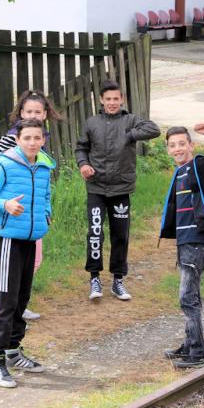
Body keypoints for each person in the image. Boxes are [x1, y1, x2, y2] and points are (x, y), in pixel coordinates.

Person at [0, 119, 56, 388]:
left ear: (43, 139)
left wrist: (45, 214)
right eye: (27, 138)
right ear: (18, 139)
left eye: (37, 138)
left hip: (31, 239)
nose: (32, 142)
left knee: (22, 297)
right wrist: (5, 204)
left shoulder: (44, 166)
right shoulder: (5, 164)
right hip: (9, 238)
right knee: (6, 299)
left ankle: (13, 351)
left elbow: (45, 196)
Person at [75, 79, 160, 301]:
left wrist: (131, 135)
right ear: (101, 100)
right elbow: (81, 148)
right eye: (108, 99)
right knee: (95, 233)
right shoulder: (91, 122)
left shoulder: (130, 120)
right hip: (96, 187)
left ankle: (118, 281)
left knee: (120, 235)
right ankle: (94, 278)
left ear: (122, 99)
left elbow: (154, 129)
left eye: (116, 98)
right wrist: (83, 164)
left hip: (121, 188)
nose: (112, 102)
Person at [0, 90, 63, 321]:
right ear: (20, 113)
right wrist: (7, 198)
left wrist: (45, 209)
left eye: (37, 112)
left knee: (34, 260)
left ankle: (18, 305)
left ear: (45, 114)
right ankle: (9, 309)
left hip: (33, 213)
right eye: (29, 111)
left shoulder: (39, 136)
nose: (33, 115)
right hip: (15, 212)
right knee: (14, 268)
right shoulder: (14, 137)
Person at [159, 122, 204, 368]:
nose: (177, 149)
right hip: (185, 241)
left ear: (191, 145)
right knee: (191, 294)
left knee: (187, 296)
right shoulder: (179, 173)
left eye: (182, 144)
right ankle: (190, 343)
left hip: (197, 241)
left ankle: (198, 352)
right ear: (168, 149)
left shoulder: (199, 167)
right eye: (172, 145)